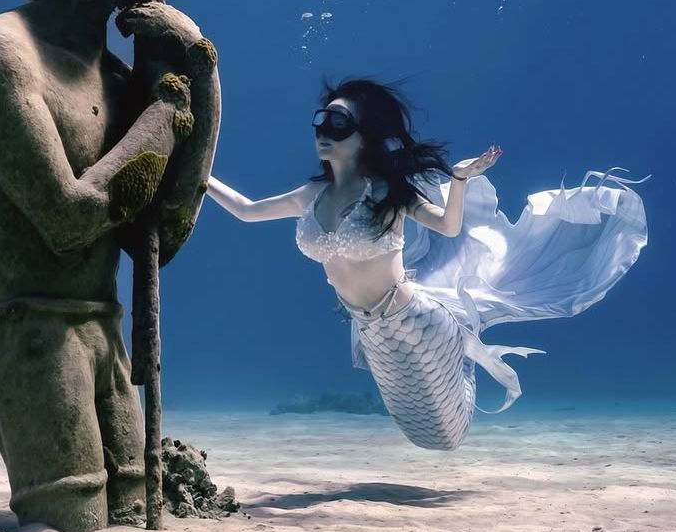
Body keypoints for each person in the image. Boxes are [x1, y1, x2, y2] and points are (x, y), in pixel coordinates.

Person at [0, 0, 219, 532]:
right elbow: (69, 219)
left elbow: (162, 229)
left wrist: (199, 66)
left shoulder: (119, 77)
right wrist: (164, 112)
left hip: (102, 327)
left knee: (129, 515)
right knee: (69, 525)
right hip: (28, 332)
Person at [206, 79, 646, 451]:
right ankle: (467, 348)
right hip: (370, 329)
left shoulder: (387, 193)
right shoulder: (310, 195)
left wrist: (458, 180)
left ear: (365, 135)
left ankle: (464, 347)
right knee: (425, 435)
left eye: (338, 123)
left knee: (450, 431)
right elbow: (247, 210)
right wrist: (198, 176)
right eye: (320, 120)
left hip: (417, 318)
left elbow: (448, 227)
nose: (324, 131)